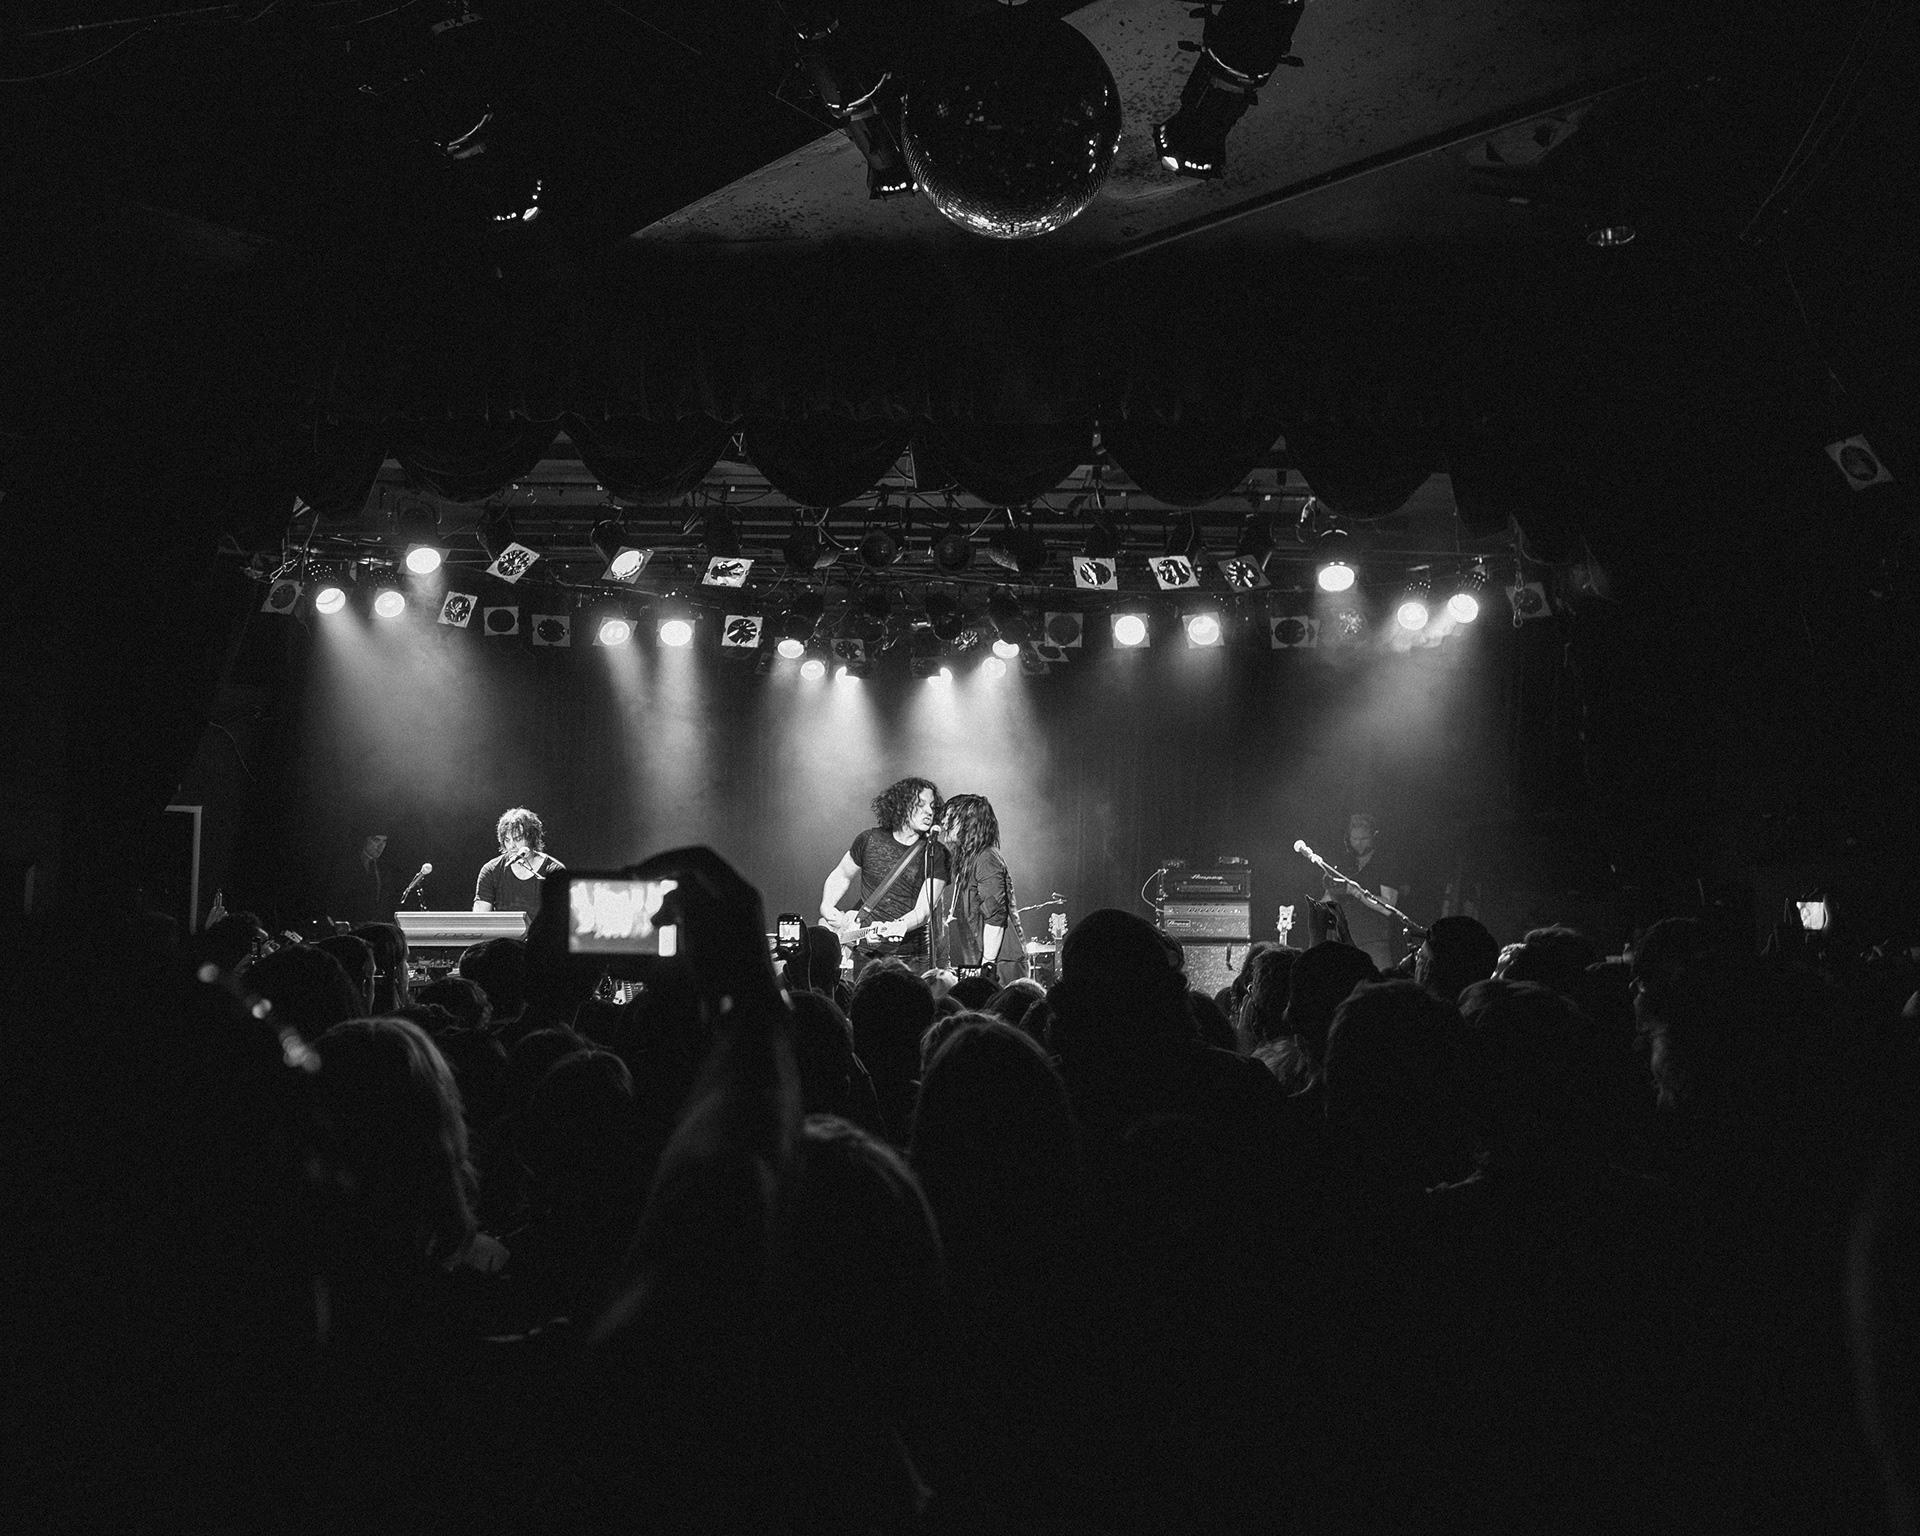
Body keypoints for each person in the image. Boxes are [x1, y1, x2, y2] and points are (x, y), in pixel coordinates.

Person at [819, 777, 949, 975]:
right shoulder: (869, 839)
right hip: (865, 950)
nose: (929, 811)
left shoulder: (936, 853)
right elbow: (842, 874)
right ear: (902, 805)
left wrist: (897, 926)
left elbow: (923, 912)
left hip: (910, 956)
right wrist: (827, 905)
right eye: (921, 805)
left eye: (932, 806)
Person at [935, 792, 1026, 985]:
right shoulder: (969, 860)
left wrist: (987, 965)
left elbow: (995, 915)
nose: (943, 822)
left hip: (1000, 963)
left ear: (969, 821)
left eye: (951, 816)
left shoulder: (986, 858)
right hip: (982, 959)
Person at [1323, 812, 1410, 971]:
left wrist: (1356, 892)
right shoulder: (1345, 864)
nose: (1358, 844)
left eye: (1363, 839)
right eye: (1354, 839)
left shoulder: (1384, 863)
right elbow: (1328, 900)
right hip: (1345, 940)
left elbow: (1388, 906)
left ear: (1374, 837)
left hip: (1377, 941)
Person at [472, 807, 563, 918]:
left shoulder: (554, 871)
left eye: (518, 839)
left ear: (531, 837)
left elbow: (560, 919)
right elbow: (480, 919)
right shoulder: (491, 870)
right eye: (507, 840)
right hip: (502, 935)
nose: (512, 846)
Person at [329, 831, 390, 926]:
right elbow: (337, 896)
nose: (380, 846)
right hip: (350, 923)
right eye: (376, 840)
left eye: (384, 841)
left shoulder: (384, 867)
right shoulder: (347, 864)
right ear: (366, 840)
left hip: (375, 924)